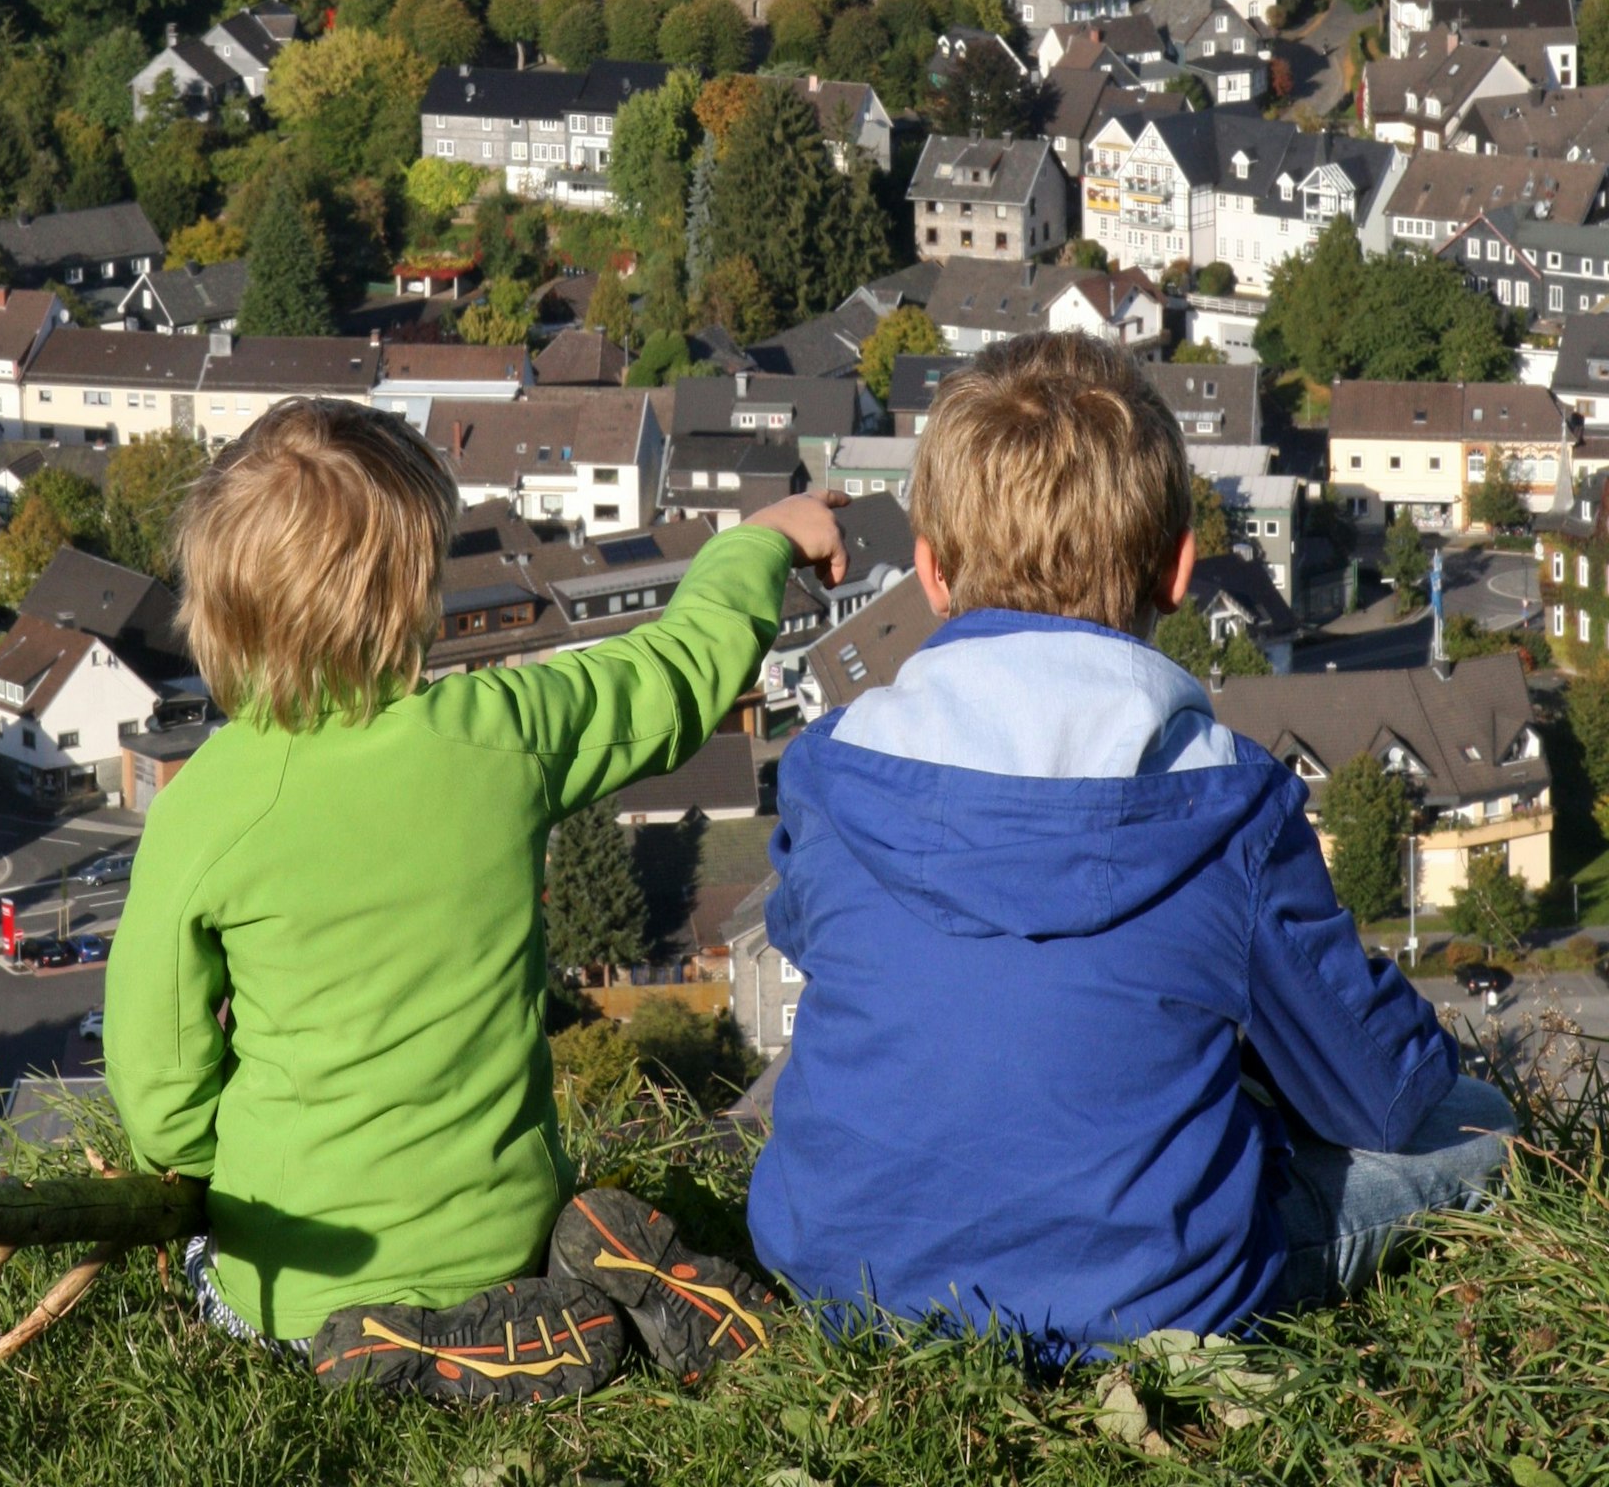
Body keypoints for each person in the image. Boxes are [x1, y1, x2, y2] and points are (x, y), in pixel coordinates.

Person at [748, 332, 1516, 1364]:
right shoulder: (1227, 801)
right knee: (1479, 1126)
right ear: (1178, 567)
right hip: (1139, 1300)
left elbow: (812, 930)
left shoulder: (830, 769)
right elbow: (1367, 1092)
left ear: (929, 571)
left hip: (845, 1277)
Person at [104, 397, 841, 1399]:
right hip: (502, 1230)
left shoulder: (204, 808)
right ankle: (547, 1294)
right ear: (409, 592)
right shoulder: (502, 729)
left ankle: (416, 1351)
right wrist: (758, 542)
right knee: (499, 1250)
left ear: (218, 607)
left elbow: (157, 1072)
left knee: (222, 1288)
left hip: (294, 1270)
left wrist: (193, 1166)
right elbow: (673, 676)